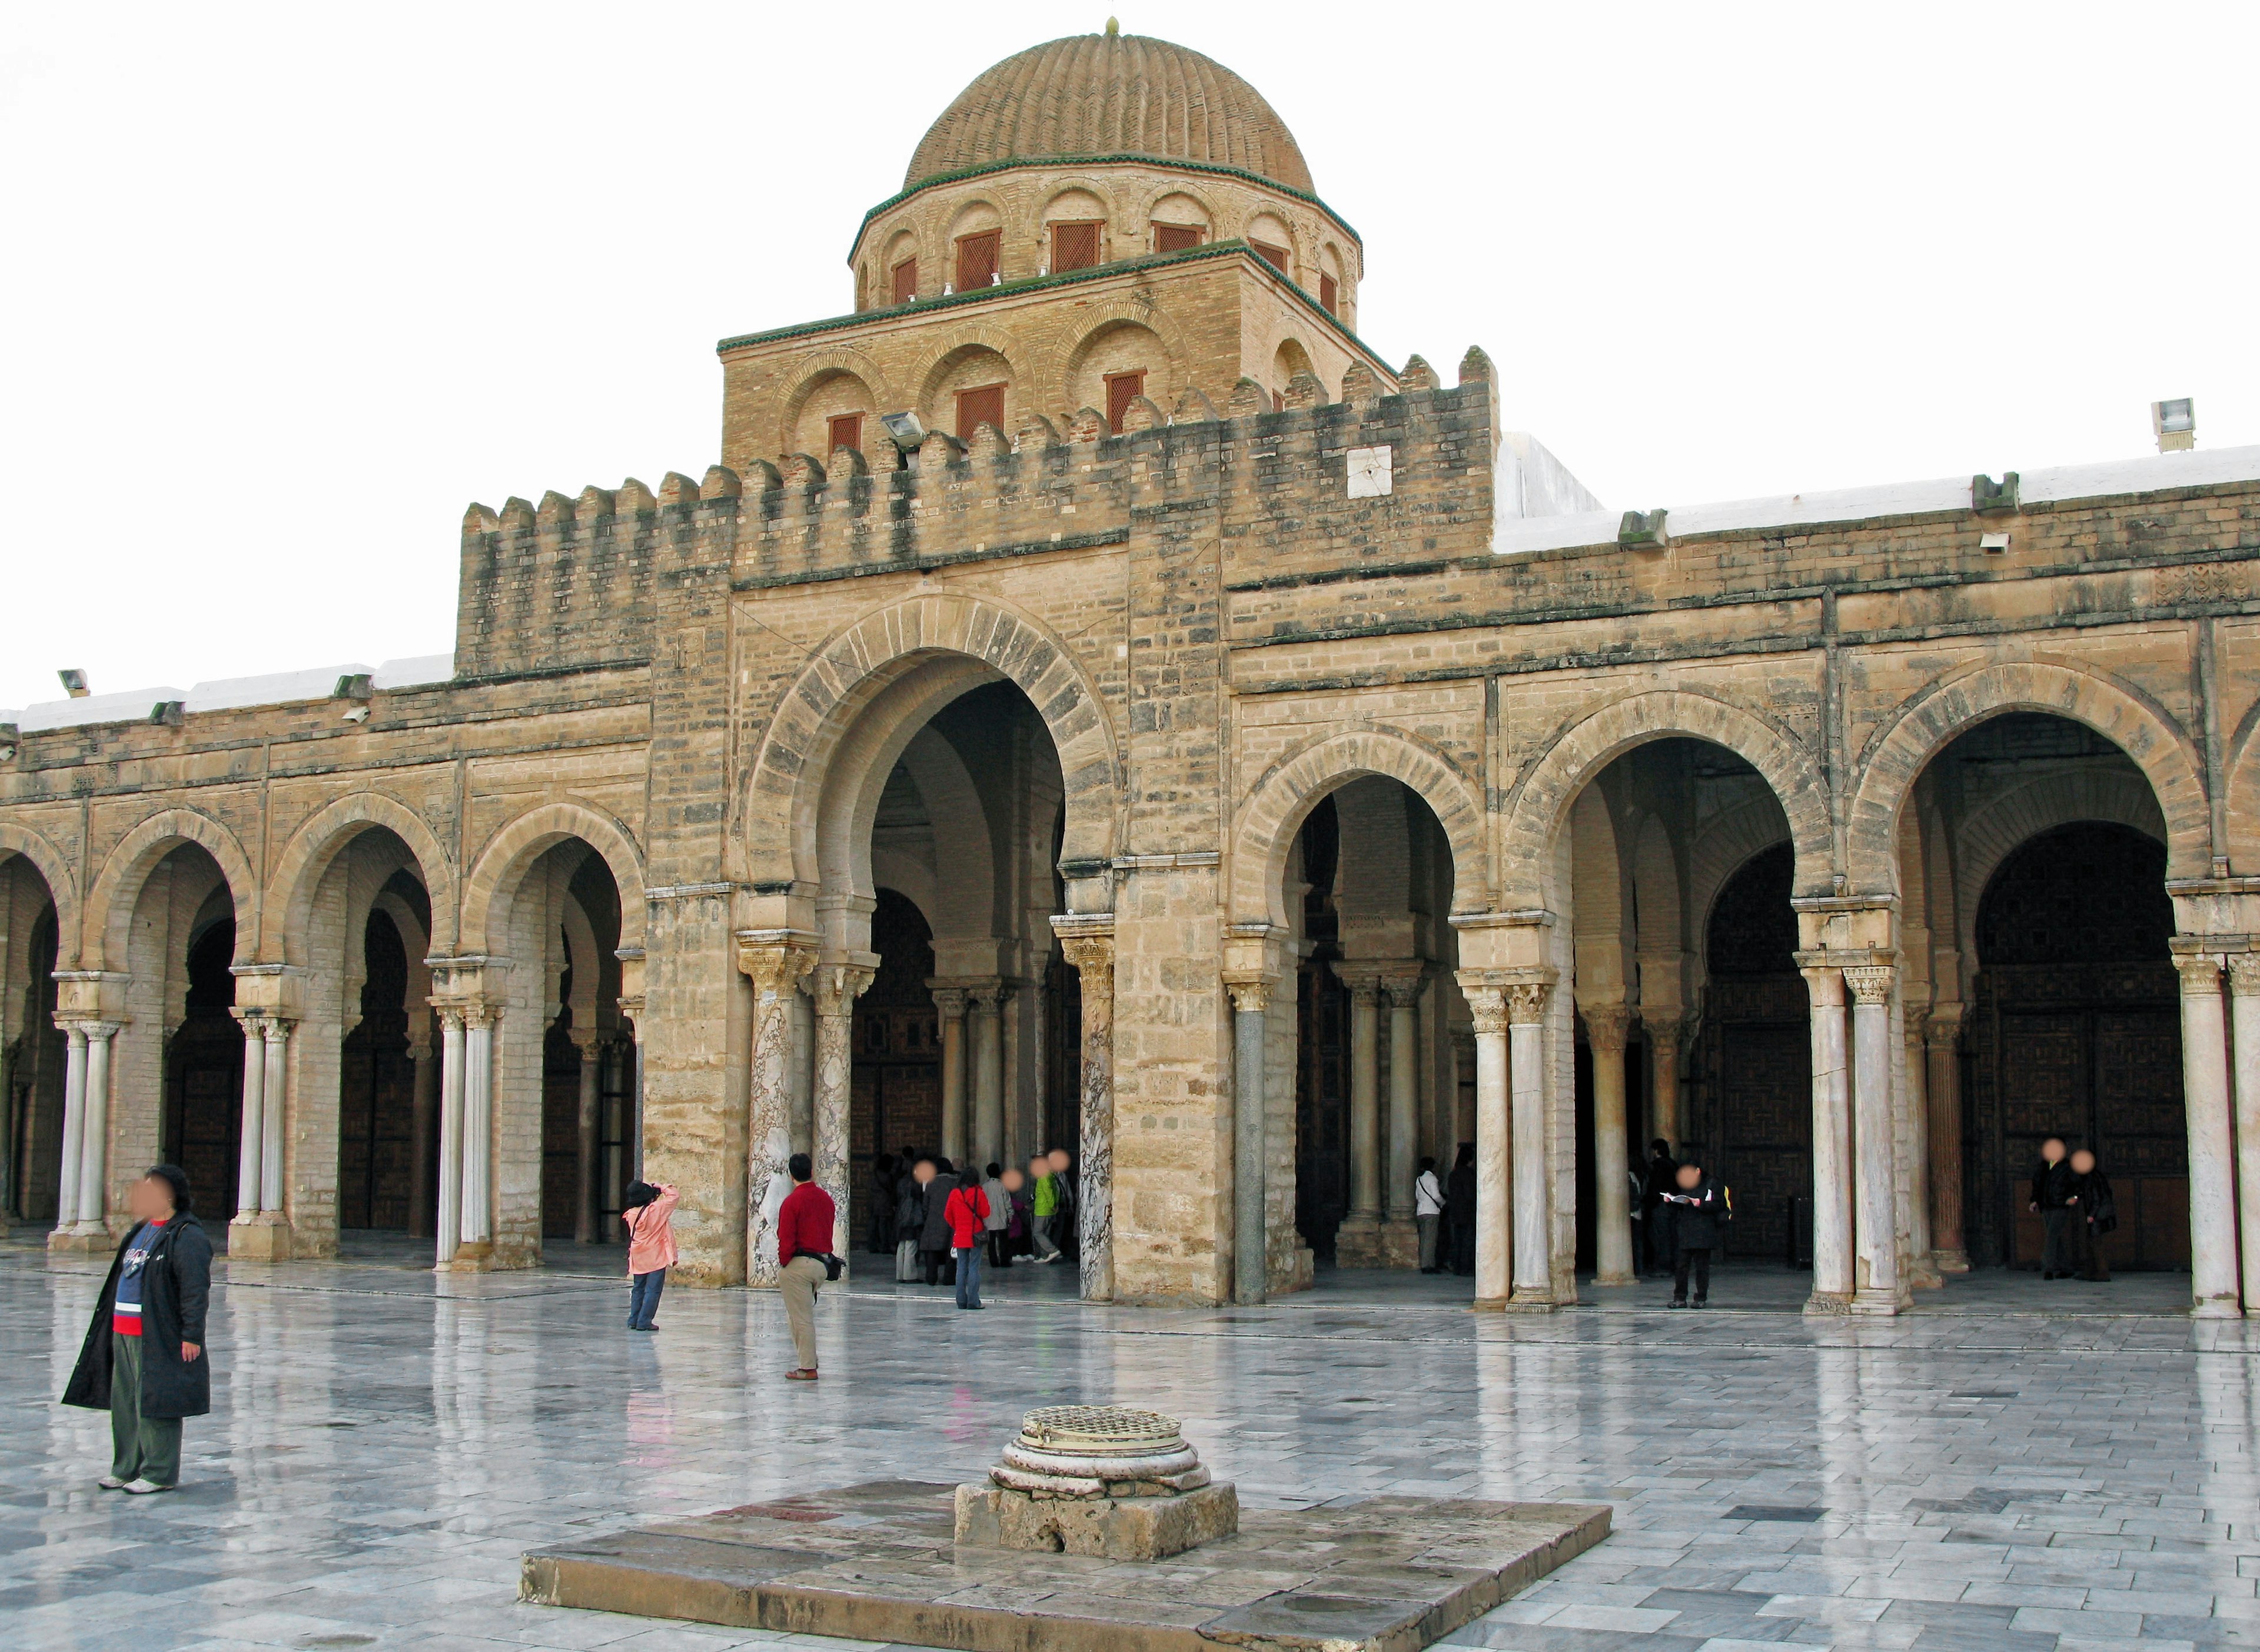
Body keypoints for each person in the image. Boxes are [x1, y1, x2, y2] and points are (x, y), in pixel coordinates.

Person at [62, 1165, 212, 1493]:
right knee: (125, 1403)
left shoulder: (187, 1236)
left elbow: (194, 1290)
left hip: (158, 1333)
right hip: (123, 1331)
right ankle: (126, 1467)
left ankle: (159, 1472)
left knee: (156, 1402)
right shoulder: (140, 1231)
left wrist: (191, 1335)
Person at [776, 1152, 835, 1380]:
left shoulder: (792, 1202)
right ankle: (807, 1359)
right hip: (821, 1264)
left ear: (791, 1175)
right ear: (811, 1172)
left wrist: (784, 1263)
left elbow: (786, 1239)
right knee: (800, 1314)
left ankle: (808, 1367)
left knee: (800, 1318)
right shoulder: (826, 1199)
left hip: (799, 1265)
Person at [1661, 1160, 1723, 1308]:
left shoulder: (1712, 1183)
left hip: (1704, 1230)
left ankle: (1701, 1298)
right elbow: (1679, 1205)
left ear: (1697, 1171)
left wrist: (1700, 1204)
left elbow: (1718, 1204)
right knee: (1681, 1266)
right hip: (1686, 1230)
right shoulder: (1685, 1185)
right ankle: (1680, 1298)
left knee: (1702, 1267)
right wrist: (1671, 1201)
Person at [621, 1180, 679, 1331]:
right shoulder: (656, 1210)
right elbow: (674, 1196)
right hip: (655, 1255)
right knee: (653, 1290)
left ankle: (633, 1319)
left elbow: (647, 1210)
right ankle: (645, 1321)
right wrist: (662, 1187)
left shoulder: (632, 1213)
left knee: (638, 1288)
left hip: (638, 1254)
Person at [944, 1165, 991, 1309]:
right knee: (974, 1268)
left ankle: (961, 1301)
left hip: (960, 1235)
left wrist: (957, 1226)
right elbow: (986, 1212)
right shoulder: (979, 1193)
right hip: (976, 1235)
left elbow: (947, 1215)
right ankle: (973, 1301)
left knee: (961, 1268)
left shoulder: (954, 1193)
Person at [2067, 1147, 2116, 1282]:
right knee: (2091, 1242)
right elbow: (2085, 1192)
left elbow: (2096, 1198)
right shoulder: (2091, 1176)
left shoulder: (2092, 1177)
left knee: (2096, 1243)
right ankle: (2090, 1271)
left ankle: (2102, 1272)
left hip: (2099, 1214)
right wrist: (2076, 1197)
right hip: (2100, 1212)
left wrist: (2092, 1215)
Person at [2029, 1137, 2076, 1279]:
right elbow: (2038, 1185)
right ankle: (2066, 1268)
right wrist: (2034, 1201)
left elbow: (2077, 1184)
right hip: (2047, 1205)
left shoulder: (2068, 1166)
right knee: (2055, 1237)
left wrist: (2074, 1197)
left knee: (2052, 1235)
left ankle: (2048, 1268)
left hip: (2061, 1206)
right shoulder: (2044, 1167)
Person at [1640, 1141, 1679, 1277]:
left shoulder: (1658, 1166)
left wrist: (1649, 1203)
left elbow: (1655, 1188)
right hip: (1673, 1204)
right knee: (1671, 1235)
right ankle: (1674, 1265)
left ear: (1656, 1151)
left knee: (1661, 1236)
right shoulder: (1673, 1164)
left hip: (1661, 1205)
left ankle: (1663, 1266)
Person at [919, 1155, 958, 1285]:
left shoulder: (931, 1183)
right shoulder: (956, 1182)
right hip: (952, 1221)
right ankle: (949, 1278)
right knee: (951, 1251)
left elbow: (925, 1205)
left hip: (933, 1221)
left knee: (932, 1250)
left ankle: (931, 1277)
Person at [895, 1158, 931, 1282]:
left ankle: (900, 1275)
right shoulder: (916, 1183)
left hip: (902, 1216)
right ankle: (909, 1276)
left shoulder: (901, 1182)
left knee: (902, 1247)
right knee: (911, 1246)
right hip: (913, 1217)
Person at [1445, 1144, 1478, 1277]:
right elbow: (1470, 1194)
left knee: (1458, 1240)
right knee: (1467, 1241)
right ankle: (1466, 1267)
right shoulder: (1468, 1174)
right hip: (1467, 1213)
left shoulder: (1453, 1174)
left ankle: (1457, 1266)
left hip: (1455, 1212)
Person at [1028, 1154, 1064, 1262]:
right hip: (1048, 1208)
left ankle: (1053, 1250)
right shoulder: (1049, 1174)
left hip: (1043, 1209)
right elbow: (1056, 1191)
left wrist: (1053, 1205)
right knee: (1045, 1233)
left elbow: (1049, 1192)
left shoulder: (1044, 1175)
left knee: (1037, 1232)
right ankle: (1045, 1256)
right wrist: (1055, 1204)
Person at [1414, 1155, 1445, 1274]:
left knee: (1424, 1239)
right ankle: (1429, 1266)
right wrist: (1443, 1203)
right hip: (1431, 1211)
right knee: (1431, 1240)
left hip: (1421, 1211)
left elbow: (1417, 1196)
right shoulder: (1432, 1179)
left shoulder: (1419, 1179)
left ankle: (1423, 1263)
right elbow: (1436, 1196)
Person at [1046, 1148, 1078, 1260]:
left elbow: (1067, 1190)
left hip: (1061, 1206)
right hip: (1050, 1207)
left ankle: (1056, 1250)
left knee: (1059, 1229)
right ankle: (1049, 1251)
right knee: (1048, 1229)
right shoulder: (1046, 1175)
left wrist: (1070, 1204)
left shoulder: (1062, 1175)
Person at [867, 1153, 899, 1255]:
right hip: (885, 1203)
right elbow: (891, 1189)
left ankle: (872, 1245)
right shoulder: (887, 1176)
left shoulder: (874, 1174)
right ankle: (885, 1246)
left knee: (873, 1225)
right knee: (884, 1226)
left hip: (873, 1202)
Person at [982, 1161, 1012, 1268]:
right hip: (1001, 1217)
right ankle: (1004, 1260)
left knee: (991, 1242)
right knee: (1003, 1241)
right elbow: (1007, 1202)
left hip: (988, 1218)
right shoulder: (1002, 1186)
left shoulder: (984, 1186)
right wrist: (1010, 1215)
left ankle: (993, 1261)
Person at [1001, 1165, 1031, 1260]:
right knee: (1015, 1238)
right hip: (1010, 1219)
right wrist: (1022, 1206)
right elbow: (1008, 1202)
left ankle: (1023, 1252)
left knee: (1023, 1233)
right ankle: (1014, 1254)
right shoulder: (1002, 1189)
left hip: (1014, 1218)